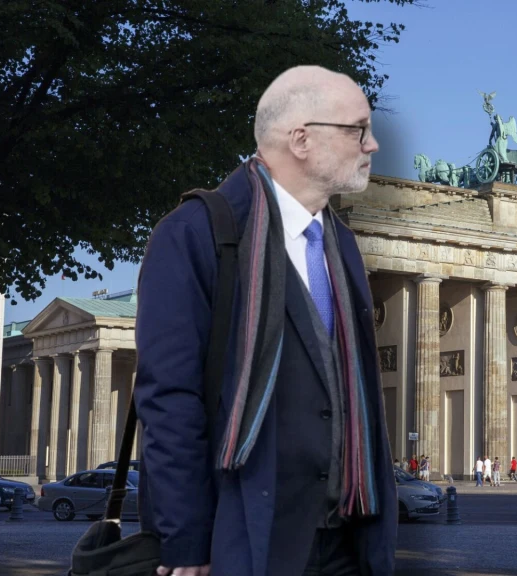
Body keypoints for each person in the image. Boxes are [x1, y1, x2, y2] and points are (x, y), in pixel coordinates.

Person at [133, 66, 395, 576]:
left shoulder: (340, 243)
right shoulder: (196, 233)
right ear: (301, 139)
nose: (373, 144)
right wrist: (187, 542)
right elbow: (169, 397)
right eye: (358, 129)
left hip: (348, 540)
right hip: (248, 537)